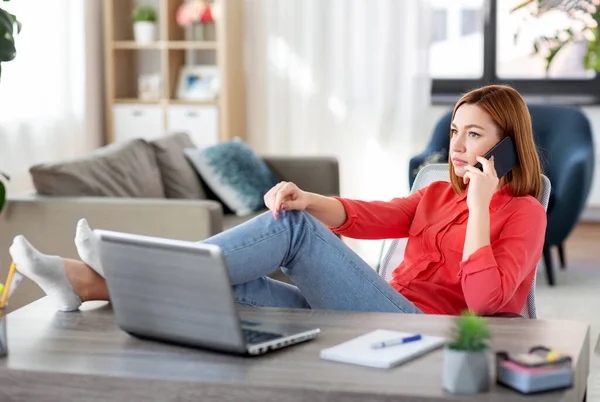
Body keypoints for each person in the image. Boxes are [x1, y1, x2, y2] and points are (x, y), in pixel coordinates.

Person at [9, 84, 546, 317]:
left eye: (473, 135)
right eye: (454, 130)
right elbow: (365, 216)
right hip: (377, 304)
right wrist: (309, 197)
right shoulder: (433, 193)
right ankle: (86, 282)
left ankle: (124, 269)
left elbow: (483, 302)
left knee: (290, 229)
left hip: (420, 329)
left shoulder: (524, 213)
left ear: (505, 145)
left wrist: (480, 207)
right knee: (235, 288)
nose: (455, 145)